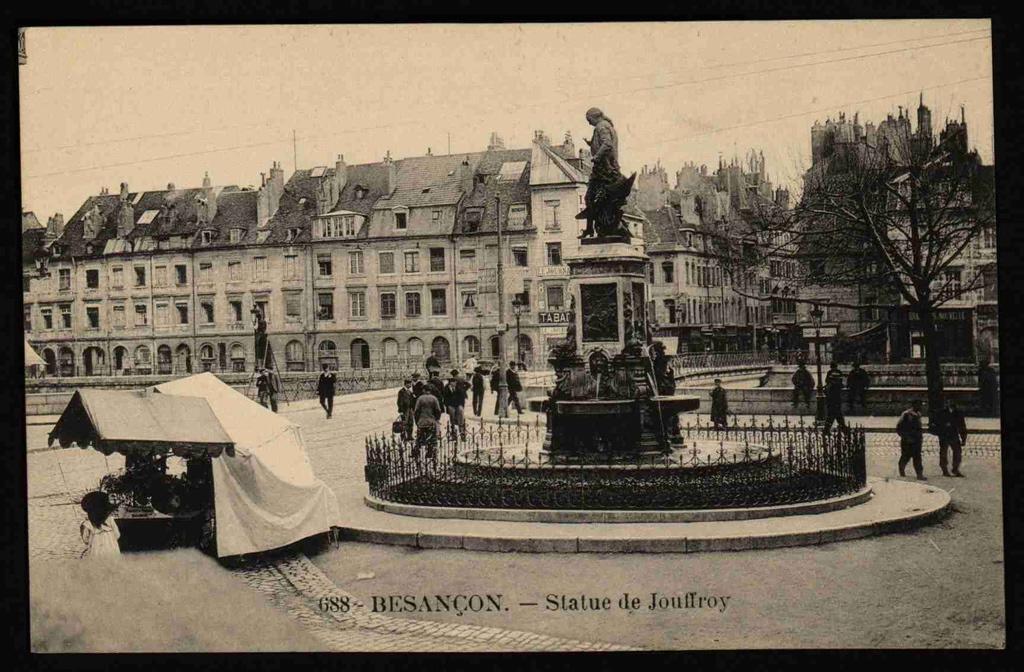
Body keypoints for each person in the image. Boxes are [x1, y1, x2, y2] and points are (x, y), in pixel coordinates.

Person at [932, 398, 968, 477]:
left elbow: (962, 426)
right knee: (943, 453)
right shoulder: (941, 412)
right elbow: (935, 423)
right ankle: (944, 469)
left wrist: (963, 438)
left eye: (953, 402)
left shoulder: (958, 413)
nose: (951, 404)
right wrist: (942, 427)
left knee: (957, 452)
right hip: (944, 435)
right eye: (949, 402)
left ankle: (955, 469)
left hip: (954, 435)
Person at [79, 491, 121, 559]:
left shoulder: (87, 524)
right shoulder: (110, 520)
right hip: (113, 551)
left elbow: (86, 540)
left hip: (96, 552)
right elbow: (117, 535)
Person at [896, 400, 926, 480]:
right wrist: (906, 437)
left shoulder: (918, 415)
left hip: (917, 441)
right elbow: (899, 428)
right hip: (907, 441)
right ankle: (901, 469)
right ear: (915, 405)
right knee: (906, 456)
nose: (921, 407)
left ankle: (919, 474)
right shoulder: (906, 414)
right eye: (919, 405)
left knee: (917, 457)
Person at [413, 382, 443, 460]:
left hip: (422, 421)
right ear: (430, 390)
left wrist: (417, 421)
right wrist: (437, 419)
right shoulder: (434, 398)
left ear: (424, 390)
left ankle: (416, 451)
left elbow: (416, 411)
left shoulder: (420, 398)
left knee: (420, 437)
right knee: (432, 438)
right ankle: (430, 452)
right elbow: (438, 410)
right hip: (431, 421)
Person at [443, 369, 469, 439]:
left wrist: (461, 405)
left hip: (458, 405)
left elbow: (461, 397)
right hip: (451, 405)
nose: (453, 384)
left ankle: (462, 433)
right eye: (452, 382)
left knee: (461, 416)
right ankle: (453, 433)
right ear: (450, 383)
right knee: (452, 419)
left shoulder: (458, 388)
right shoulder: (446, 388)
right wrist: (447, 405)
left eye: (454, 382)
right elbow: (445, 398)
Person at [823, 363, 846, 431]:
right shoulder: (834, 386)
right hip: (834, 402)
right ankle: (843, 428)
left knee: (833, 416)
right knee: (835, 416)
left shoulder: (831, 385)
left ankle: (827, 430)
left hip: (832, 403)